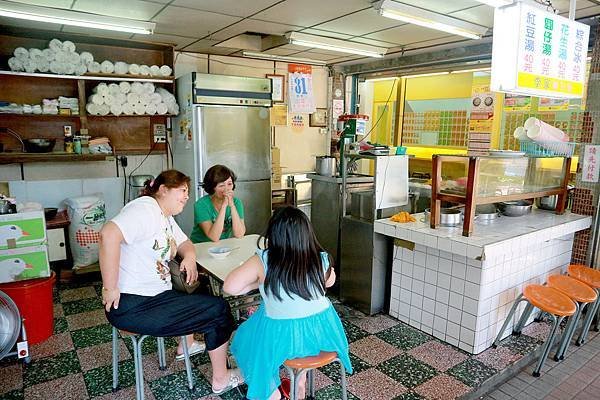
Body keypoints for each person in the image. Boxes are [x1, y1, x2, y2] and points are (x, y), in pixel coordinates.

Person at [99, 169, 243, 395]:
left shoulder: (163, 216)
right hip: (133, 305)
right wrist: (109, 288)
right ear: (163, 190)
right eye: (182, 191)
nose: (187, 196)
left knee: (208, 300)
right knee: (218, 309)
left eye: (187, 191)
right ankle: (221, 378)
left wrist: (190, 257)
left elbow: (185, 243)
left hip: (156, 298)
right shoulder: (145, 208)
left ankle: (189, 345)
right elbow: (109, 234)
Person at [223, 206, 352, 400]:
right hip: (323, 333)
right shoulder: (321, 258)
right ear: (306, 233)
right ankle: (299, 384)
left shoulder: (265, 259)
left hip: (284, 336)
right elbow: (329, 282)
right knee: (278, 317)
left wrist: (258, 282)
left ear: (274, 234)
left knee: (248, 337)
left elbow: (230, 287)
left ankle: (270, 392)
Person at [190, 164, 245, 243]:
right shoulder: (201, 205)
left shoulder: (236, 203)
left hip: (222, 246)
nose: (227, 189)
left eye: (229, 184)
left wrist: (232, 206)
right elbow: (214, 237)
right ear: (212, 188)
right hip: (200, 246)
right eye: (221, 185)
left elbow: (239, 234)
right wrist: (224, 205)